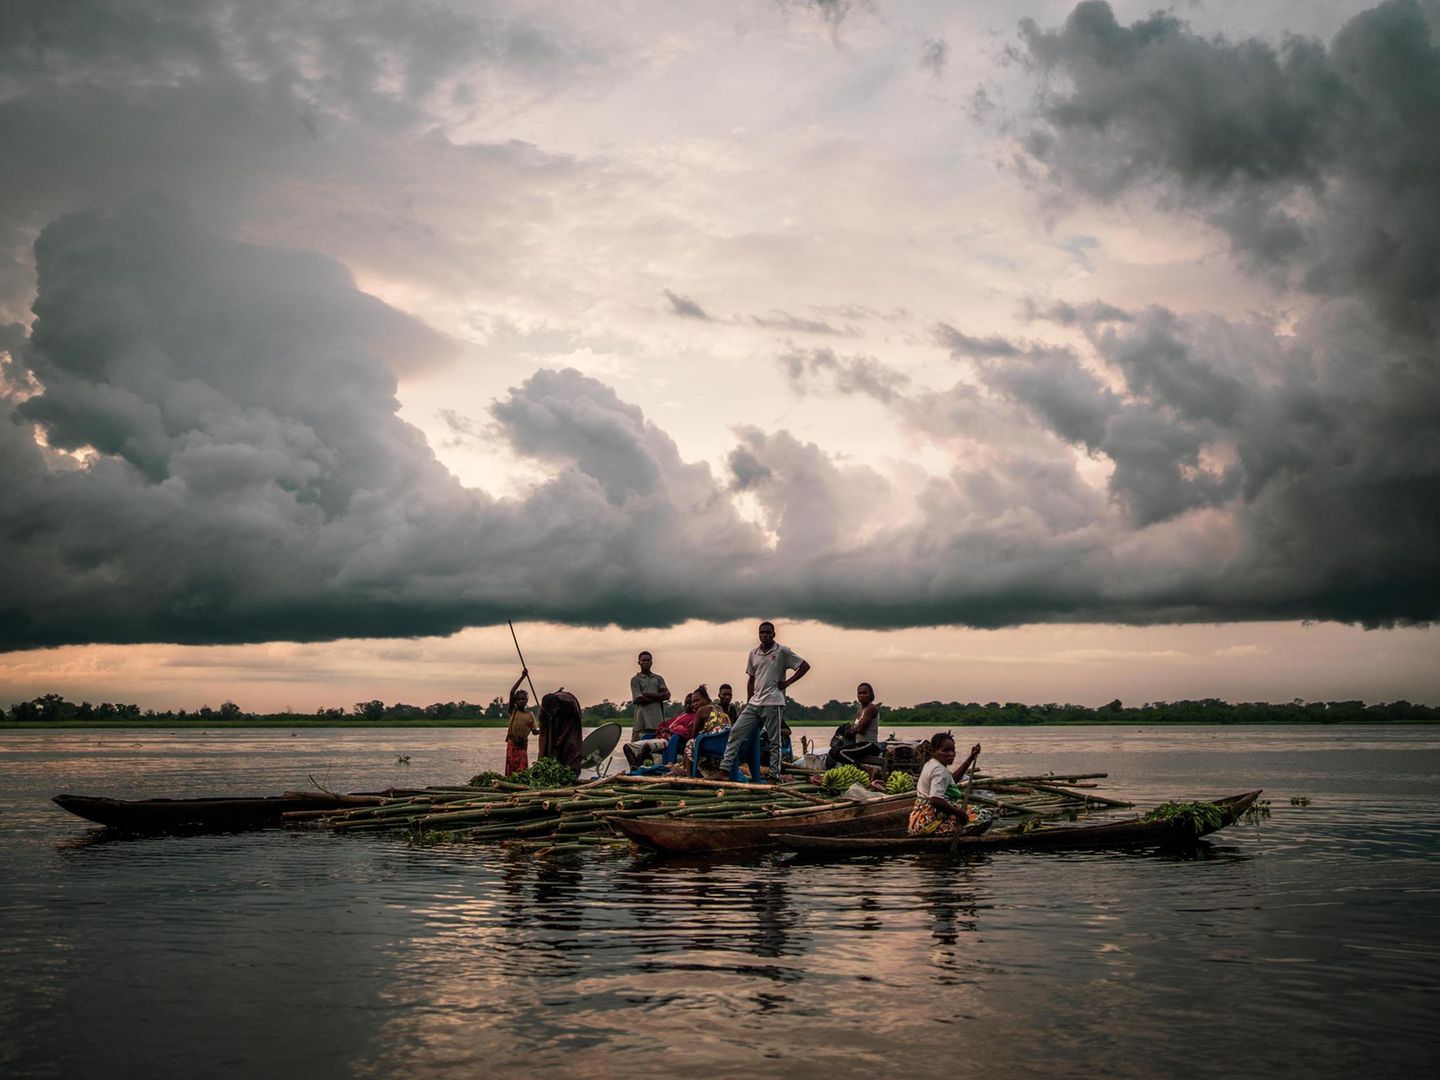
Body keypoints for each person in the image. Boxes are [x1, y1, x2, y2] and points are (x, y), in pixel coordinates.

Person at [719, 621, 810, 783]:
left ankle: (773, 776)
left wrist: (787, 682)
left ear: (774, 634)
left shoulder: (782, 651)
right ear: (758, 635)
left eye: (768, 632)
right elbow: (751, 679)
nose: (765, 635)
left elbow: (804, 666)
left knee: (774, 741)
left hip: (773, 702)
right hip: (755, 702)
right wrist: (748, 701)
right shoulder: (754, 653)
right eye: (762, 633)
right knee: (735, 732)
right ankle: (724, 770)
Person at [907, 733, 985, 836]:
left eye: (953, 750)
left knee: (974, 811)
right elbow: (935, 800)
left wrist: (971, 757)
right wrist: (959, 813)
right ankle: (952, 835)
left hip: (918, 820)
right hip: (930, 822)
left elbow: (951, 780)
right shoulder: (939, 770)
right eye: (946, 750)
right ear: (934, 751)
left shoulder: (932, 764)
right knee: (984, 815)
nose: (951, 754)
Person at [624, 690, 702, 769]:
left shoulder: (695, 716)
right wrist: (660, 732)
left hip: (671, 741)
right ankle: (637, 768)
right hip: (661, 738)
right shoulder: (681, 715)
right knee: (627, 747)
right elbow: (665, 724)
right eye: (686, 703)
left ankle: (638, 769)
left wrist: (671, 730)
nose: (688, 706)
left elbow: (688, 733)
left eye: (690, 703)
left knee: (646, 747)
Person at [825, 682, 882, 768]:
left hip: (870, 745)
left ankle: (862, 770)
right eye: (860, 693)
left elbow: (860, 729)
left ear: (870, 695)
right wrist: (847, 730)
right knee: (832, 752)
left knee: (841, 752)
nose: (862, 695)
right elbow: (853, 728)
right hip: (860, 744)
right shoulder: (860, 710)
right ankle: (856, 768)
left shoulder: (871, 708)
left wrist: (850, 731)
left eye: (865, 693)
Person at [538, 688, 584, 775]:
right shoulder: (543, 711)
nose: (549, 714)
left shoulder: (569, 703)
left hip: (571, 722)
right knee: (549, 746)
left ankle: (571, 773)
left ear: (557, 707)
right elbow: (543, 733)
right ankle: (551, 771)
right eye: (548, 713)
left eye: (551, 712)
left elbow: (573, 722)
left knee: (571, 745)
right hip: (553, 722)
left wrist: (563, 736)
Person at [504, 668, 539, 776]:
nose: (521, 701)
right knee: (511, 766)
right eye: (519, 699)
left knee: (522, 768)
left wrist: (545, 729)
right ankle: (509, 782)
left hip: (522, 745)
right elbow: (512, 692)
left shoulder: (530, 715)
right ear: (515, 701)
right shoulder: (513, 711)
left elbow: (534, 731)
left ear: (527, 700)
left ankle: (521, 782)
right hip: (512, 742)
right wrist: (522, 677)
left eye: (523, 699)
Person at [629, 651, 671, 740]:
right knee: (639, 748)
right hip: (642, 722)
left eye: (648, 660)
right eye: (643, 660)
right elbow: (639, 700)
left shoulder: (658, 678)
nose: (646, 662)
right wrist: (659, 697)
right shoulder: (635, 679)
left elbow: (667, 695)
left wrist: (647, 694)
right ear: (639, 662)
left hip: (658, 722)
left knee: (657, 748)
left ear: (651, 662)